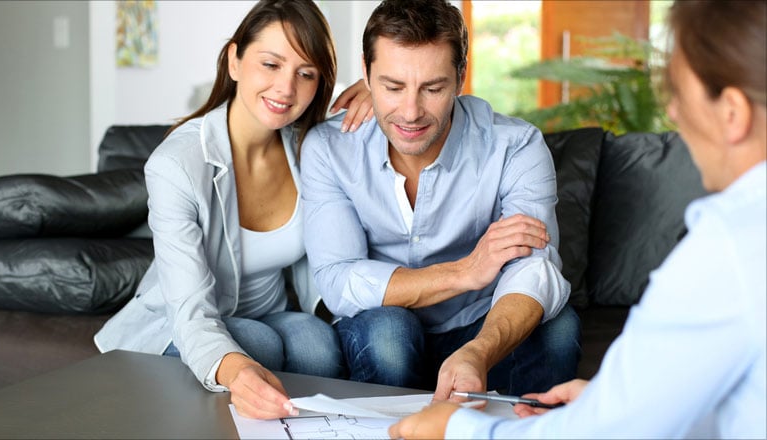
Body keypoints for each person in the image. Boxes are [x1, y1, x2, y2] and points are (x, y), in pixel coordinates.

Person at [389, 0, 767, 438]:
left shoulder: (729, 249)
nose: (675, 115)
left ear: (732, 113)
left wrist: (460, 429)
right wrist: (616, 402)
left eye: (679, 94)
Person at [94, 0, 374, 420]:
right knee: (254, 344)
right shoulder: (176, 165)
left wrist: (378, 88)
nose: (285, 88)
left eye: (305, 74)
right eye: (270, 64)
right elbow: (190, 310)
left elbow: (401, 112)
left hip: (274, 314)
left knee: (317, 345)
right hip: (186, 323)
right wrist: (237, 368)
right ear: (235, 60)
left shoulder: (307, 142)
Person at [300, 0, 580, 401]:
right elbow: (337, 279)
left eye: (433, 88)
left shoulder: (516, 146)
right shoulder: (331, 149)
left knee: (558, 328)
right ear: (366, 72)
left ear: (461, 77)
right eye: (392, 86)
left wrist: (479, 353)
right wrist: (465, 271)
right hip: (386, 330)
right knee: (389, 334)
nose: (410, 112)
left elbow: (535, 270)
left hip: (480, 326)